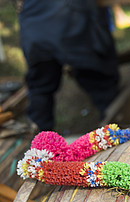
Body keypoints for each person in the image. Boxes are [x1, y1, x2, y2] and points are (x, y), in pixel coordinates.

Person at [19, 0, 120, 131]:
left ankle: (37, 139)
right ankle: (118, 129)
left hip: (36, 28)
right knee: (101, 83)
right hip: (75, 22)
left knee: (40, 88)